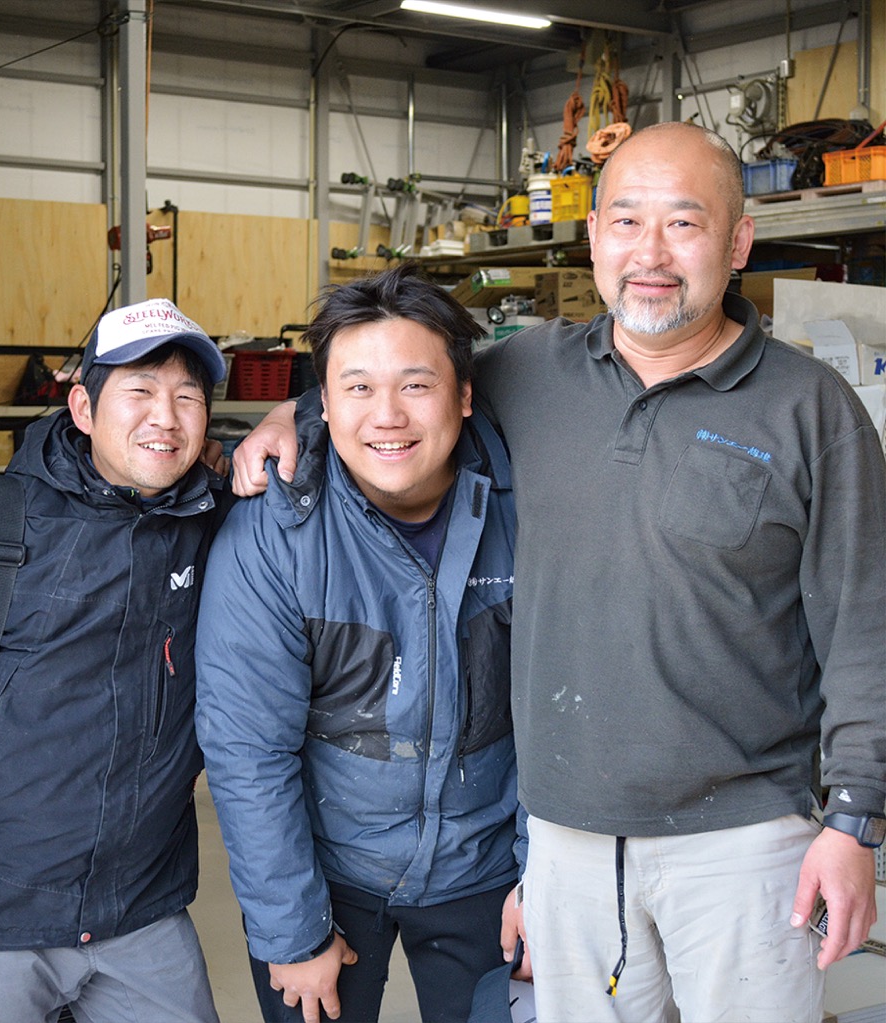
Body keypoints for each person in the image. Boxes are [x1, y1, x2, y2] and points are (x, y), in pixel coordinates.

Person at [232, 122, 886, 1023]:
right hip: (566, 843)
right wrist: (294, 416)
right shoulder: (533, 371)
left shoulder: (813, 410)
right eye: (626, 221)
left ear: (738, 243)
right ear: (593, 238)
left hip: (743, 841)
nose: (650, 254)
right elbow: (403, 382)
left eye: (684, 224)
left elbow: (865, 629)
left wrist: (852, 822)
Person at [195, 264, 525, 1023]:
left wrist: (547, 879)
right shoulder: (276, 534)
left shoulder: (524, 508)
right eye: (359, 388)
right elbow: (248, 748)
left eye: (416, 385)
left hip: (490, 872)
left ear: (465, 394)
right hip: (328, 872)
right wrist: (292, 929)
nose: (388, 416)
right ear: (323, 399)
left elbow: (567, 706)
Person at [0, 298, 229, 1023]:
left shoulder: (215, 520)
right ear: (83, 408)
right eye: (140, 392)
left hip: (142, 907)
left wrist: (287, 422)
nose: (166, 418)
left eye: (188, 397)